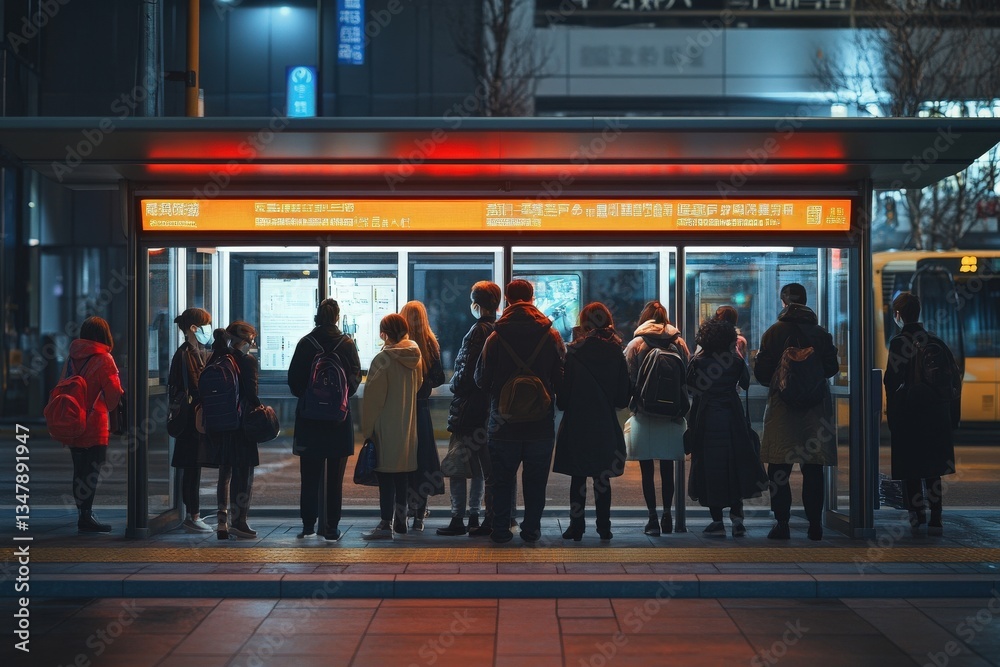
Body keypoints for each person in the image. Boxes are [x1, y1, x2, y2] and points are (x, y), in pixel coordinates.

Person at [475, 279, 565, 544]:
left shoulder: (495, 335)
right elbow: (560, 380)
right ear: (532, 298)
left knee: (502, 481)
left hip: (503, 424)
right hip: (540, 424)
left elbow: (481, 379)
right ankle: (531, 530)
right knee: (536, 483)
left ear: (508, 301)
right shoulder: (551, 335)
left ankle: (501, 530)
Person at [753, 283, 839, 541]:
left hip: (783, 409)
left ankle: (782, 524)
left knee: (779, 468)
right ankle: (815, 525)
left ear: (783, 302)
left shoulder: (773, 333)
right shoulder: (821, 333)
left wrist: (784, 382)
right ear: (805, 300)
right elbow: (832, 368)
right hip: (815, 409)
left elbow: (762, 374)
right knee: (813, 467)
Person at [884, 291, 960, 536]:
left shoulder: (899, 342)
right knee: (933, 468)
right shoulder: (935, 341)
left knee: (911, 467)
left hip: (910, 413)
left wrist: (892, 415)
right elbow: (953, 382)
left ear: (898, 315)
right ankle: (936, 516)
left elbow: (891, 381)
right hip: (936, 414)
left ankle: (917, 516)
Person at [553, 302, 631, 541]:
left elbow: (563, 398)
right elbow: (622, 396)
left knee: (578, 476)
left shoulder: (574, 351)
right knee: (602, 477)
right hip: (604, 423)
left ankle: (576, 527)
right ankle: (604, 527)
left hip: (578, 422)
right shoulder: (617, 351)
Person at [287, 299, 362, 542]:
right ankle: (331, 527)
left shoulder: (305, 343)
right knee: (335, 479)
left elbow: (294, 381)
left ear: (317, 315)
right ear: (337, 317)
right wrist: (338, 399)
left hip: (310, 421)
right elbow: (355, 378)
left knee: (309, 475)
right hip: (338, 421)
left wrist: (312, 399)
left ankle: (308, 525)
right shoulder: (347, 343)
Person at [686, 318, 766, 537]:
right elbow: (746, 383)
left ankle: (716, 520)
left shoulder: (698, 361)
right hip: (733, 419)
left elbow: (691, 388)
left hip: (706, 419)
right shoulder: (736, 361)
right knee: (735, 467)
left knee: (710, 469)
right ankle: (737, 520)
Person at [438, 281, 501, 537]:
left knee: (457, 466)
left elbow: (465, 373)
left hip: (469, 410)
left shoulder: (476, 332)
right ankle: (477, 515)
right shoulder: (498, 330)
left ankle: (458, 518)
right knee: (483, 471)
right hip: (489, 411)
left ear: (476, 305)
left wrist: (454, 384)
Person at [623, 300, 689, 536]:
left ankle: (652, 519)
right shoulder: (678, 342)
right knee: (668, 466)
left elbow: (628, 378)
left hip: (645, 412)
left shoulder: (636, 343)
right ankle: (668, 516)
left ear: (645, 318)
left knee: (647, 468)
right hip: (672, 415)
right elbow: (687, 376)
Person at [360, 313, 423, 540]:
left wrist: (368, 430)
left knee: (386, 477)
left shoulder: (382, 359)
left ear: (384, 333)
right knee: (402, 476)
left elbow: (373, 399)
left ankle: (386, 524)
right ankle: (401, 521)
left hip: (385, 425)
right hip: (408, 424)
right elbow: (419, 385)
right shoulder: (415, 354)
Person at [64, 316, 124, 533]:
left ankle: (83, 514)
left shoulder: (72, 356)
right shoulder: (105, 358)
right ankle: (86, 517)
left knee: (79, 471)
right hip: (94, 423)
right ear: (104, 335)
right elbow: (113, 395)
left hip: (72, 420)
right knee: (91, 471)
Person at [206, 321, 261, 540]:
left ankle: (222, 522)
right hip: (241, 425)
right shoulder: (247, 361)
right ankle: (240, 522)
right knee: (244, 473)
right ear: (246, 340)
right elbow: (252, 394)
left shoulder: (218, 357)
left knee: (224, 472)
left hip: (220, 424)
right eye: (252, 340)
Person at [399, 301, 446, 531]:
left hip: (400, 411)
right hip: (422, 409)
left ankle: (402, 512)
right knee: (423, 461)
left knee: (402, 460)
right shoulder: (430, 343)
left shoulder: (397, 344)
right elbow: (439, 378)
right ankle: (419, 516)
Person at [168, 308, 213, 533]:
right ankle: (192, 516)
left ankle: (192, 514)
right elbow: (197, 386)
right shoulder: (187, 354)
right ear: (194, 328)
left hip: (192, 419)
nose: (210, 329)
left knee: (193, 468)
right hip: (189, 422)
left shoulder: (196, 351)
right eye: (207, 325)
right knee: (191, 468)